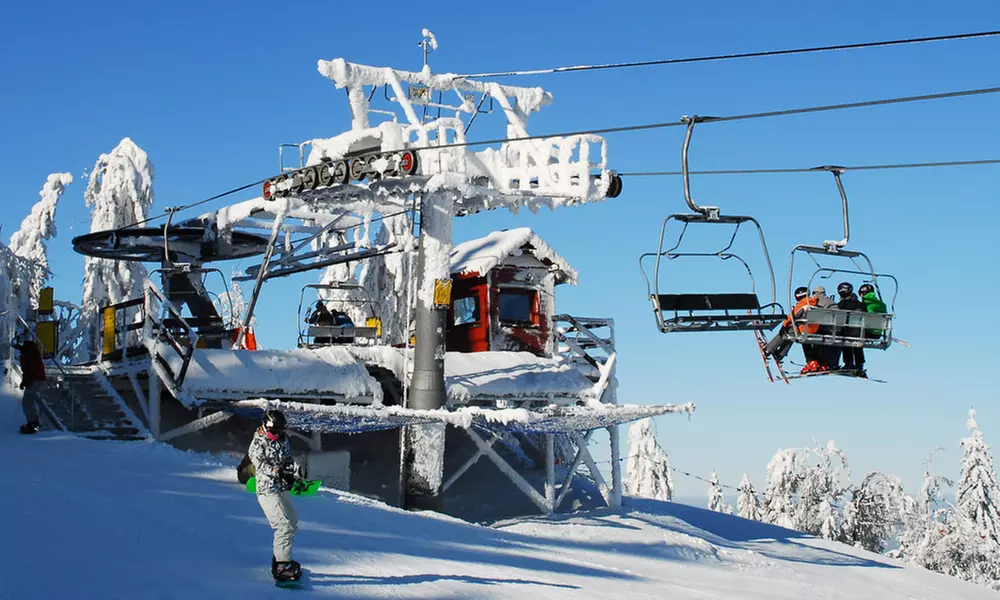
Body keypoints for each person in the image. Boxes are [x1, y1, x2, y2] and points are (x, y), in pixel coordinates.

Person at [248, 409, 302, 582]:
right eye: (273, 431)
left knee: (292, 523)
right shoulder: (257, 443)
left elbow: (288, 458)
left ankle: (280, 557)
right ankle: (282, 565)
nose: (276, 435)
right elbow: (260, 465)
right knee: (283, 526)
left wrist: (291, 473)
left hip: (281, 487)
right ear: (265, 426)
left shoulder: (282, 439)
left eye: (279, 431)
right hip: (267, 490)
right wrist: (278, 471)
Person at [764, 286, 822, 372]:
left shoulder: (803, 304)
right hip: (813, 330)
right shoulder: (814, 303)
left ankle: (768, 349)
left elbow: (792, 316)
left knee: (785, 333)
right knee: (791, 335)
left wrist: (784, 326)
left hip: (802, 329)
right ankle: (780, 354)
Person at [835, 281, 866, 375]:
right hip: (860, 332)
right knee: (857, 341)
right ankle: (859, 364)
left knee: (845, 339)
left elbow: (838, 318)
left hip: (848, 331)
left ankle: (848, 363)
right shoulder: (859, 304)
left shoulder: (842, 304)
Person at [16, 338, 47, 434]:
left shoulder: (29, 352)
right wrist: (25, 380)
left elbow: (31, 368)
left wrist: (26, 380)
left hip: (36, 378)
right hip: (35, 378)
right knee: (28, 400)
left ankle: (33, 423)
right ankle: (33, 421)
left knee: (27, 401)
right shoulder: (28, 351)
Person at [812, 285, 840, 370]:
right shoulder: (831, 302)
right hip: (837, 329)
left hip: (825, 329)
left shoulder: (818, 303)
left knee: (813, 338)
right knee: (835, 344)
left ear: (817, 294)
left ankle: (818, 362)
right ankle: (833, 363)